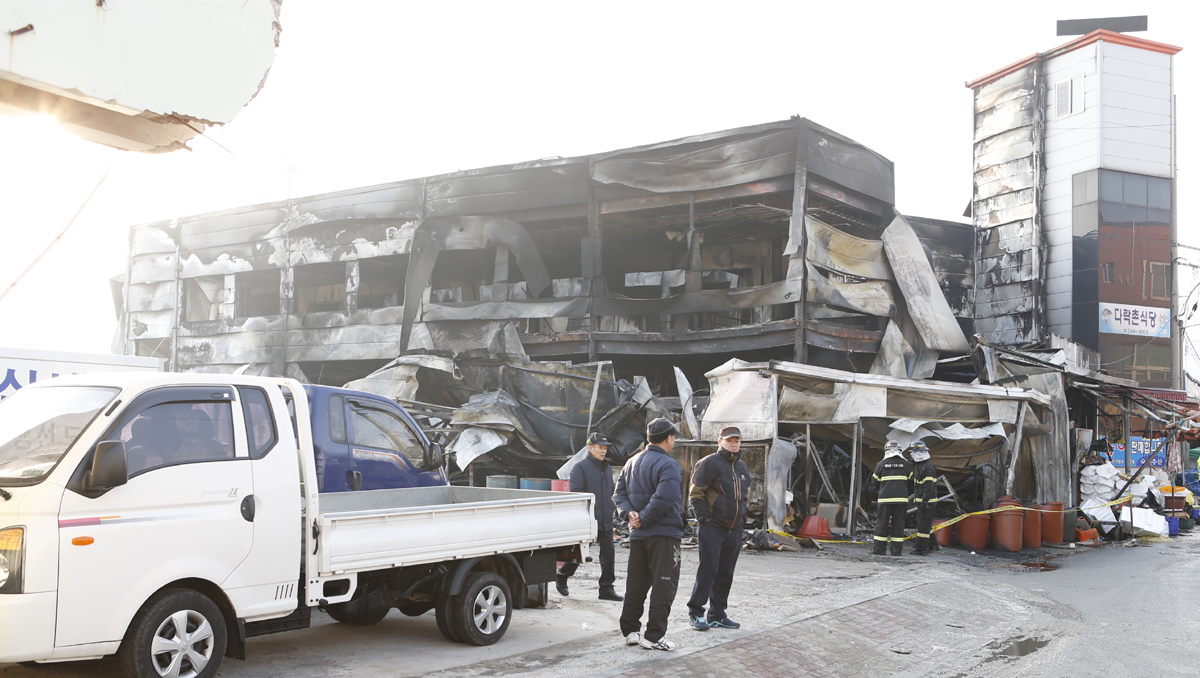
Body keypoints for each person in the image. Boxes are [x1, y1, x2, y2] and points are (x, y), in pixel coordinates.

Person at [614, 418, 686, 652]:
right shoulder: (669, 465)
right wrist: (643, 517)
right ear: (668, 438)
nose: (674, 440)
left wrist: (630, 514)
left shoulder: (631, 462)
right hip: (664, 533)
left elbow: (619, 493)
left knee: (636, 582)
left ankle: (631, 631)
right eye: (673, 437)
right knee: (664, 584)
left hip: (638, 535)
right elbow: (664, 499)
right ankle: (654, 636)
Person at [686, 425, 749, 632]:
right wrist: (704, 519)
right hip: (713, 527)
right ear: (720, 442)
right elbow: (696, 494)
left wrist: (742, 520)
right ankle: (696, 612)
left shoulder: (741, 468)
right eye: (730, 440)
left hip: (734, 529)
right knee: (708, 570)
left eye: (737, 441)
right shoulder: (709, 463)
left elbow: (743, 497)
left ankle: (717, 614)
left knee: (725, 572)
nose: (734, 444)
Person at [556, 432, 623, 601]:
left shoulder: (607, 467)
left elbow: (610, 491)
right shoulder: (580, 468)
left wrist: (610, 508)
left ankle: (606, 589)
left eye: (605, 448)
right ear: (590, 448)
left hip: (605, 518)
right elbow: (576, 493)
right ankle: (562, 575)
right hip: (588, 519)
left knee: (609, 555)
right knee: (579, 554)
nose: (603, 451)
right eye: (600, 448)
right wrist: (587, 513)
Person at [871, 440, 913, 556]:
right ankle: (896, 551)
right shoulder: (906, 465)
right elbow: (910, 480)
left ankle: (879, 550)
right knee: (898, 525)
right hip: (901, 500)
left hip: (885, 500)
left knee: (881, 525)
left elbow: (875, 482)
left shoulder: (881, 464)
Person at [909, 441, 939, 555]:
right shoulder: (920, 466)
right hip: (922, 500)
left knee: (922, 526)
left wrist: (925, 501)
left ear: (920, 453)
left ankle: (921, 549)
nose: (911, 455)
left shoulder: (927, 467)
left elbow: (929, 486)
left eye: (913, 452)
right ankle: (934, 545)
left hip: (927, 502)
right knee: (926, 524)